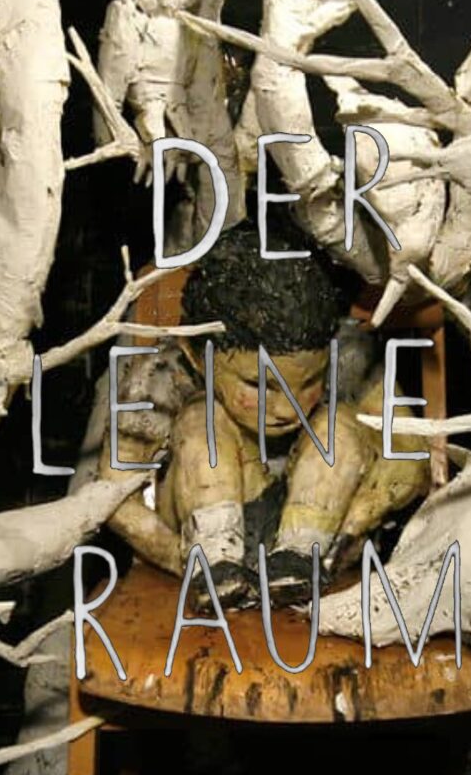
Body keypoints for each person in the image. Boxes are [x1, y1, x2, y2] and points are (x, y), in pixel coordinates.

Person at [101, 222, 429, 608]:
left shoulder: (349, 356)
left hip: (321, 543)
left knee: (337, 425)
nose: (288, 409)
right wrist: (178, 558)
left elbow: (409, 457)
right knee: (202, 421)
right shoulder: (162, 377)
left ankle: (299, 555)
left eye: (311, 381)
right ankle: (216, 562)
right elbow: (112, 496)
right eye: (259, 386)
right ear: (197, 356)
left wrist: (352, 527)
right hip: (201, 536)